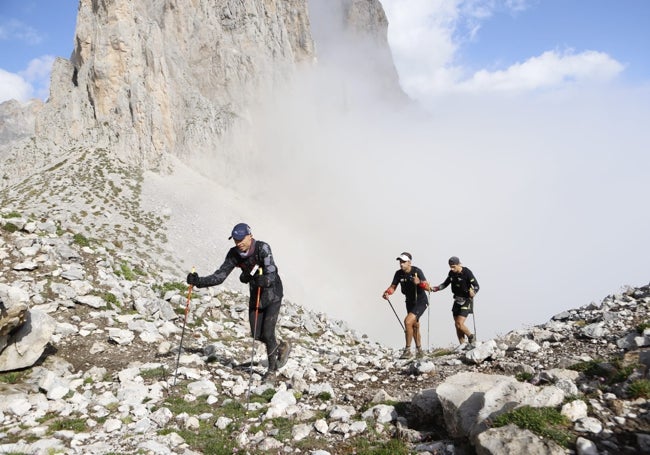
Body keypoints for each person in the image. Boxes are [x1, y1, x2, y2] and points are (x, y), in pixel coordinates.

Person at [186, 223, 291, 379]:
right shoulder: (234, 254)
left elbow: (272, 271)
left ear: (250, 236)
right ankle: (281, 347)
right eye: (235, 240)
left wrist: (266, 280)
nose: (238, 243)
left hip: (273, 294)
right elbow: (220, 276)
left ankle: (271, 372)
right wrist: (198, 281)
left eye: (241, 239)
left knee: (268, 333)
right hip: (256, 294)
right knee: (256, 333)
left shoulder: (263, 248)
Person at [382, 252, 431, 359]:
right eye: (400, 262)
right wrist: (387, 292)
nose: (401, 264)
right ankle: (419, 351)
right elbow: (393, 286)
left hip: (421, 301)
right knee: (414, 325)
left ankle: (407, 350)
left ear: (409, 262)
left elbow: (428, 288)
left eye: (404, 262)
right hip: (409, 302)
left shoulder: (417, 271)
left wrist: (419, 283)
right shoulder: (398, 273)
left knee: (408, 321)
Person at [431, 256, 479, 345]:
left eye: (454, 267)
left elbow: (476, 286)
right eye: (450, 267)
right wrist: (436, 288)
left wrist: (474, 292)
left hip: (467, 300)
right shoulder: (451, 273)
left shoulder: (467, 272)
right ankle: (462, 345)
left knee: (459, 323)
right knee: (457, 325)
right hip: (457, 300)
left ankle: (471, 337)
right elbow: (445, 284)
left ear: (459, 264)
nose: (452, 269)